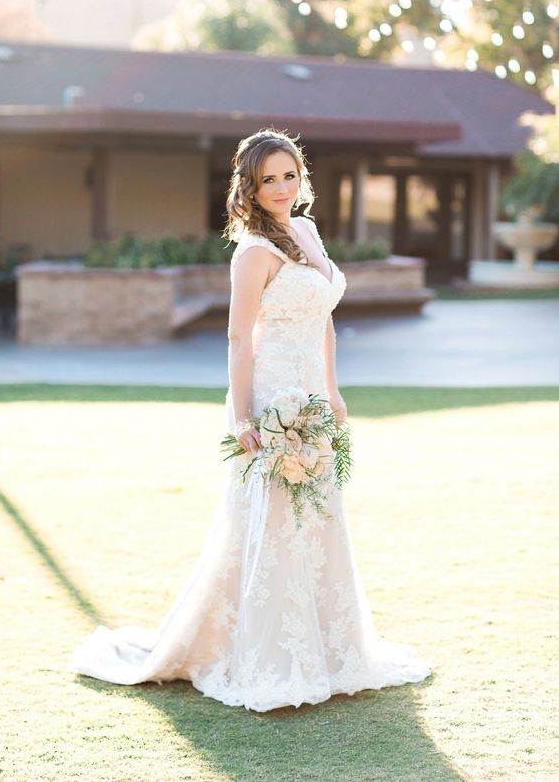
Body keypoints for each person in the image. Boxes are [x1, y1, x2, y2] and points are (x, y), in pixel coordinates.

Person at [70, 128, 432, 712]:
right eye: (270, 180)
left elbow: (324, 317)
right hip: (271, 397)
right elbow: (240, 337)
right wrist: (242, 418)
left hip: (312, 395)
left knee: (319, 514)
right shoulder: (253, 252)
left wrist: (334, 391)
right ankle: (269, 654)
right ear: (251, 187)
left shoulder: (307, 231)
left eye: (290, 175)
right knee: (269, 520)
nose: (283, 188)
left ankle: (330, 648)